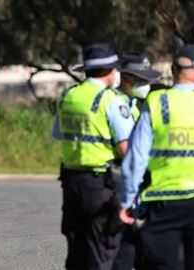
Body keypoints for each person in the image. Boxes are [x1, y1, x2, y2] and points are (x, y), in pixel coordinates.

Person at [119, 44, 194, 270]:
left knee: (161, 263)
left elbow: (136, 158)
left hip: (164, 202)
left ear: (173, 70)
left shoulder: (159, 102)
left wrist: (127, 200)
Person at [54, 43, 134, 270]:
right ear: (109, 70)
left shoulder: (68, 96)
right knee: (101, 252)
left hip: (71, 184)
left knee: (76, 252)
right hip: (101, 185)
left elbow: (59, 134)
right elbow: (125, 148)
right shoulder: (111, 100)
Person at [111, 53, 161, 270]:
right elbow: (127, 150)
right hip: (120, 179)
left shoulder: (134, 104)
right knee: (124, 249)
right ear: (126, 78)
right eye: (142, 81)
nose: (146, 86)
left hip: (136, 180)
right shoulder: (116, 103)